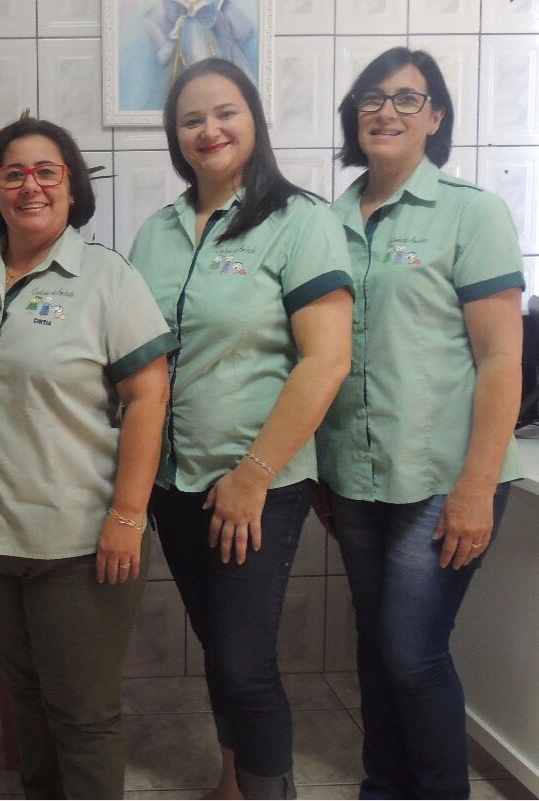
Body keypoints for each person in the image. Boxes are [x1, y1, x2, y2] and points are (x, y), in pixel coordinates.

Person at [128, 58, 354, 799]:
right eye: (190, 119)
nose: (209, 130)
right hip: (174, 483)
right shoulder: (157, 233)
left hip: (257, 482)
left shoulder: (301, 221)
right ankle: (233, 782)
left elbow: (326, 360)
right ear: (174, 136)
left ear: (254, 118)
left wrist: (252, 475)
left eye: (225, 112)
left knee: (244, 662)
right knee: (218, 649)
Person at [0, 116, 175, 798]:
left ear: (72, 188)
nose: (30, 186)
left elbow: (148, 398)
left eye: (47, 171)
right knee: (28, 699)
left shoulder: (107, 278)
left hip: (80, 543)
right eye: (13, 173)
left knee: (84, 715)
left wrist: (127, 515)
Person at [316, 47, 525, 800]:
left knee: (411, 652)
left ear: (435, 116)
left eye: (408, 98)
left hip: (444, 478)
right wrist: (321, 470)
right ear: (354, 115)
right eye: (372, 97)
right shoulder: (325, 222)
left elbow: (501, 359)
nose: (387, 111)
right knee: (375, 648)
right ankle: (385, 785)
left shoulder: (471, 212)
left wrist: (476, 487)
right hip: (354, 476)